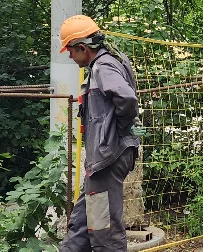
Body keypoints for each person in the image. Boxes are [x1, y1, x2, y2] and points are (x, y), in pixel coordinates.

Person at [58, 15, 142, 252]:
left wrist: (117, 130)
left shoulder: (103, 67)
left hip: (108, 159)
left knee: (105, 234)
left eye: (71, 51)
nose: (71, 57)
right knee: (82, 225)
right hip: (103, 161)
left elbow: (126, 99)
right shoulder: (110, 62)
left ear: (83, 47)